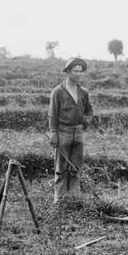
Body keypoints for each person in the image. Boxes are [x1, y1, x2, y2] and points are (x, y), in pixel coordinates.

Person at [48, 57, 93, 204]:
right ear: (68, 72)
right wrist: (54, 133)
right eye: (75, 71)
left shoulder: (83, 92)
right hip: (63, 132)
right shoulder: (58, 92)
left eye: (81, 71)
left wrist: (86, 122)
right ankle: (60, 202)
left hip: (78, 133)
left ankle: (74, 201)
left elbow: (89, 110)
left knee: (75, 168)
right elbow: (52, 113)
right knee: (61, 169)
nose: (79, 74)